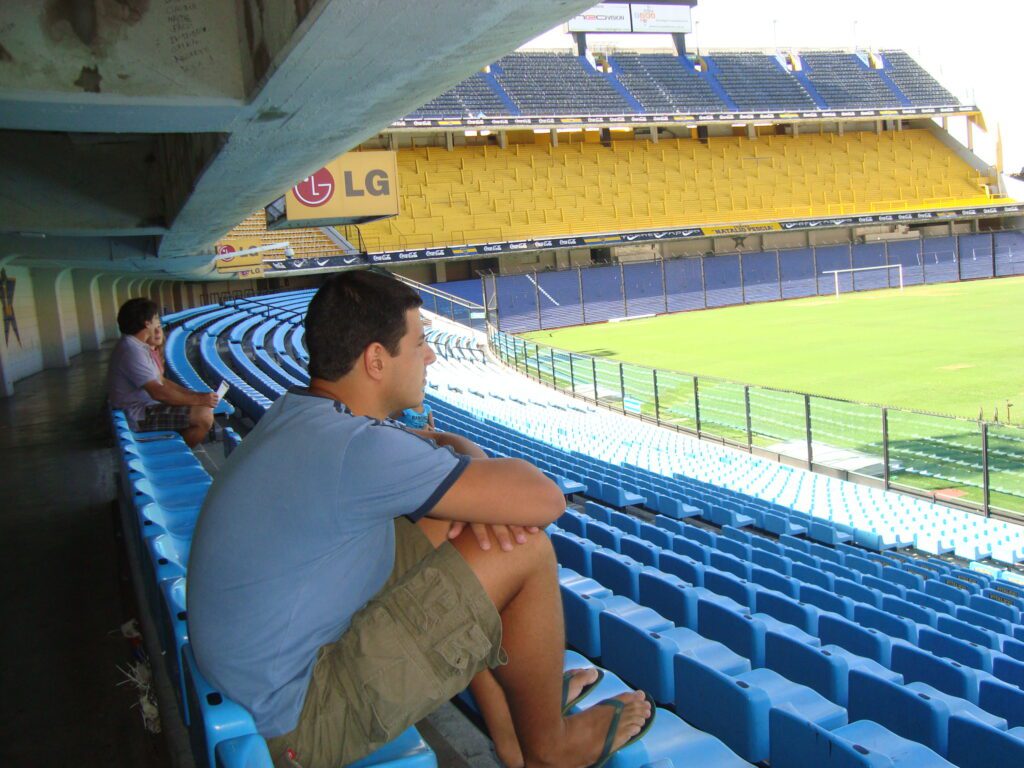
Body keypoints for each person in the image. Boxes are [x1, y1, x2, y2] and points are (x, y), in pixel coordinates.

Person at [187, 271, 653, 768]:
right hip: (300, 722)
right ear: (375, 361)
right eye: (420, 343)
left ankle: (515, 731)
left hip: (260, 682)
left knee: (456, 527)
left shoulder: (300, 416)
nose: (429, 355)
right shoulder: (356, 449)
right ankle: (549, 747)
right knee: (524, 546)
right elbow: (545, 499)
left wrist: (459, 465)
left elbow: (458, 493)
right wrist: (465, 459)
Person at [107, 298, 218, 447]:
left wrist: (195, 396)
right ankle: (178, 457)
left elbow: (163, 382)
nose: (157, 323)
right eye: (155, 319)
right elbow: (158, 393)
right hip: (138, 414)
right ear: (147, 323)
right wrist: (199, 400)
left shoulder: (138, 347)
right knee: (203, 416)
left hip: (146, 407)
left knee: (202, 408)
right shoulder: (131, 350)